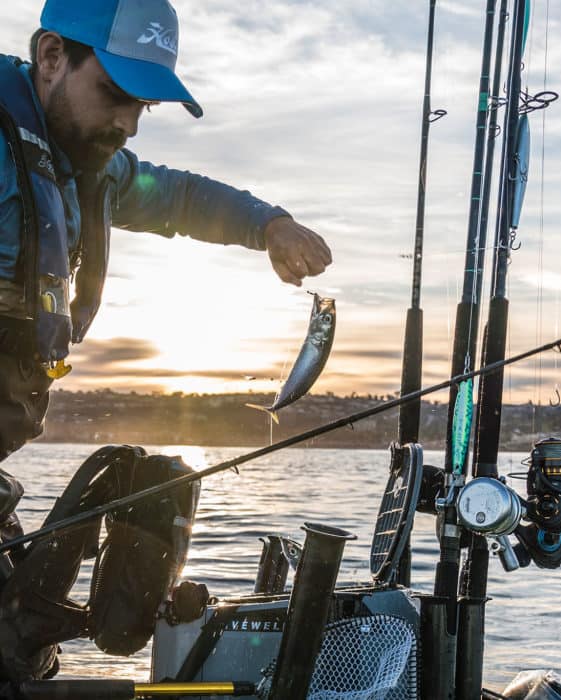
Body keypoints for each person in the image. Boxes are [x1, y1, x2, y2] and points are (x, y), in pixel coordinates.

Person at [0, 0, 333, 681]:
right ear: (52, 56)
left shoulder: (83, 164)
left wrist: (267, 225)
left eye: (142, 107)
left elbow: (177, 197)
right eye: (117, 95)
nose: (125, 122)